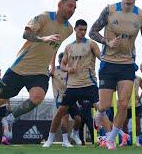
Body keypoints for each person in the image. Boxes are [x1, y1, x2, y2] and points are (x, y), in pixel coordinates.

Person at [0, 0, 77, 145]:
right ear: (60, 5)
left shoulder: (69, 29)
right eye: (70, 6)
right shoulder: (45, 17)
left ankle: (11, 117)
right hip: (19, 68)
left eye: (74, 8)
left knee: (38, 97)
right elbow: (26, 34)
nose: (72, 10)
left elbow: (54, 48)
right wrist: (43, 38)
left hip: (39, 71)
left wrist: (52, 67)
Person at [89, 0, 142, 150]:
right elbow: (92, 31)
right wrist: (107, 42)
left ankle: (111, 138)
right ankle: (99, 113)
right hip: (108, 63)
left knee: (124, 104)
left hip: (127, 64)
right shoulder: (109, 10)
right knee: (105, 105)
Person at [43, 19, 100, 147]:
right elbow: (63, 65)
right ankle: (50, 139)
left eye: (85, 30)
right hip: (72, 87)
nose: (83, 32)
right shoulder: (69, 47)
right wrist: (69, 69)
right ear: (75, 29)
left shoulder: (91, 44)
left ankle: (108, 137)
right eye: (80, 29)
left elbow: (102, 57)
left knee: (99, 108)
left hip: (88, 84)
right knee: (60, 113)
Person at [51, 52, 82, 146]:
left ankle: (74, 134)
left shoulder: (70, 71)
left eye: (64, 60)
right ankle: (65, 140)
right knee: (65, 118)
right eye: (60, 60)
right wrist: (54, 52)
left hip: (71, 98)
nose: (62, 62)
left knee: (78, 119)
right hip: (60, 99)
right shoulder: (54, 70)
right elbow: (50, 68)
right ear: (59, 61)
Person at [122, 75, 142, 146]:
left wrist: (140, 97)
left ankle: (137, 142)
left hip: (136, 105)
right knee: (124, 124)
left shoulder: (138, 78)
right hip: (127, 105)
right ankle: (125, 141)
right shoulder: (123, 77)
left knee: (137, 123)